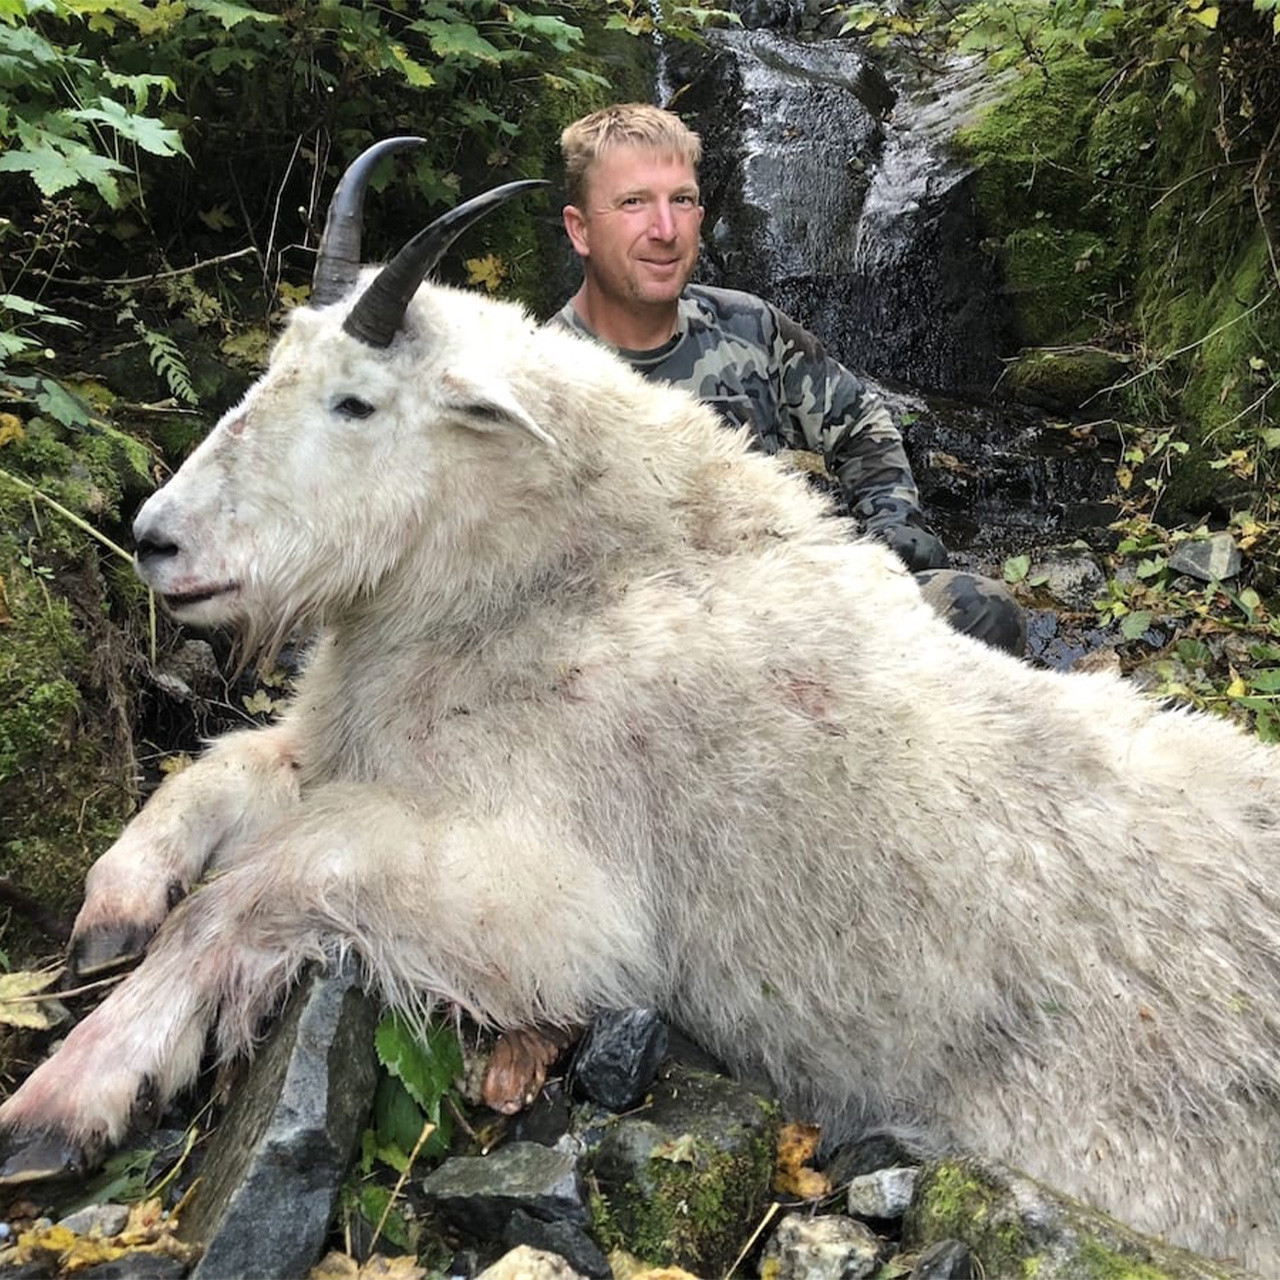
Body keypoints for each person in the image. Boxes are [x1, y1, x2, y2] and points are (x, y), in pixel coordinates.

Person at [553, 102, 1026, 656]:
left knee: (981, 612)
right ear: (580, 229)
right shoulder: (542, 379)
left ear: (700, 216)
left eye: (681, 200)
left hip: (793, 620)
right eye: (634, 203)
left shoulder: (748, 327)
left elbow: (859, 420)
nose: (664, 229)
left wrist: (892, 529)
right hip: (647, 667)